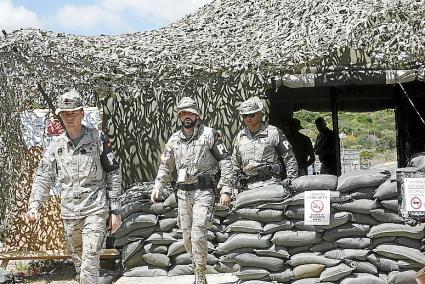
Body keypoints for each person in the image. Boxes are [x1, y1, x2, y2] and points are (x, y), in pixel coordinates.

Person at [26, 90, 122, 284]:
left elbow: (113, 173)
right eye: (65, 114)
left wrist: (116, 210)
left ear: (82, 113)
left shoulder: (98, 139)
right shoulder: (56, 146)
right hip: (69, 214)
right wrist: (34, 205)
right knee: (80, 265)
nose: (69, 117)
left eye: (73, 113)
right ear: (61, 116)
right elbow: (43, 177)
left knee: (89, 261)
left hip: (95, 210)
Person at [151, 97, 233, 284]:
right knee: (187, 237)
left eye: (190, 112)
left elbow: (225, 162)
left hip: (203, 192)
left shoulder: (211, 135)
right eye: (183, 113)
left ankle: (200, 275)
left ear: (197, 114)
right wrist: (158, 186)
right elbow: (166, 166)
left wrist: (226, 188)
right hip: (182, 194)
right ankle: (198, 264)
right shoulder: (174, 140)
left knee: (198, 232)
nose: (186, 116)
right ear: (179, 116)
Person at [232, 97, 298, 189]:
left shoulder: (274, 132)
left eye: (251, 115)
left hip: (271, 184)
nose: (248, 118)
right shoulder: (240, 136)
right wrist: (233, 187)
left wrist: (292, 181)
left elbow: (289, 158)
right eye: (245, 116)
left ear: (260, 114)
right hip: (248, 187)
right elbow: (235, 163)